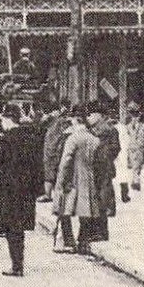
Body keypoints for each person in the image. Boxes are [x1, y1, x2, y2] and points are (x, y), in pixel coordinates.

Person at [0, 104, 44, 277]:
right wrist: (38, 188)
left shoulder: (4, 140)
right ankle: (19, 263)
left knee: (11, 227)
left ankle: (16, 265)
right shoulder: (31, 138)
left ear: (7, 120)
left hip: (9, 189)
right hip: (26, 190)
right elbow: (38, 165)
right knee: (19, 227)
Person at [52, 107, 99, 254]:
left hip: (72, 178)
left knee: (65, 209)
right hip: (89, 177)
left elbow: (66, 161)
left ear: (75, 120)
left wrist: (60, 181)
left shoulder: (73, 138)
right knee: (86, 210)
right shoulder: (94, 139)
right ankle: (83, 241)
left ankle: (68, 241)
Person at [82, 105, 121, 246]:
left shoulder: (110, 130)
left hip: (104, 169)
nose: (89, 117)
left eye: (91, 114)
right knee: (91, 200)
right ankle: (92, 232)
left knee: (102, 201)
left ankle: (101, 233)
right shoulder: (89, 131)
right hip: (91, 169)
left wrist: (102, 155)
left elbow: (115, 148)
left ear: (99, 115)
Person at [116, 104, 144, 204]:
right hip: (130, 150)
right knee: (129, 169)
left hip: (140, 150)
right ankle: (133, 182)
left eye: (136, 115)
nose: (135, 118)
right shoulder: (127, 127)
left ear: (139, 116)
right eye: (133, 115)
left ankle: (136, 182)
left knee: (137, 167)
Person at [40, 103, 71, 202]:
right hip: (53, 148)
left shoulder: (60, 121)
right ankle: (50, 194)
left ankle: (49, 194)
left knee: (53, 171)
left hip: (54, 149)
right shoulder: (57, 120)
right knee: (53, 171)